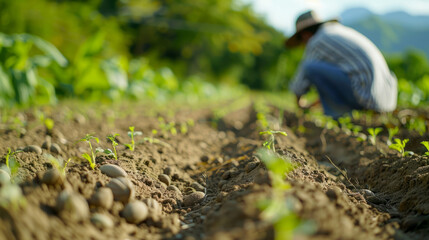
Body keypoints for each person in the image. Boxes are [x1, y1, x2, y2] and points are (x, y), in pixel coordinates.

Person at [285, 10, 398, 119]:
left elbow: (300, 82)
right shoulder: (337, 31)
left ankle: (338, 115)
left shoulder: (317, 41)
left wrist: (300, 105)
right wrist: (313, 104)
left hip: (366, 96)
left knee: (310, 67)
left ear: (305, 35)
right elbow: (336, 83)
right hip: (385, 99)